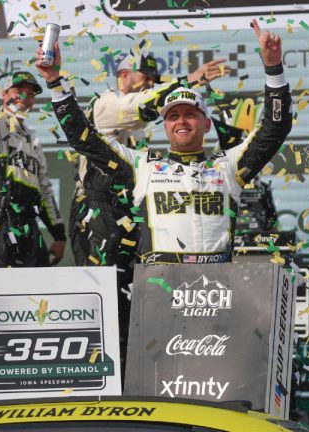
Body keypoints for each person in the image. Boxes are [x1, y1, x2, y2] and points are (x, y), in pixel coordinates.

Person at [36, 18, 291, 264]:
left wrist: (273, 69)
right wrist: (54, 82)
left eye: (190, 114)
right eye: (173, 116)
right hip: (159, 291)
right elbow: (85, 140)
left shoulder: (228, 166)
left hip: (217, 293)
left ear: (206, 124)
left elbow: (274, 128)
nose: (181, 121)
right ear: (165, 125)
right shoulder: (143, 166)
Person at [73, 50, 230, 368]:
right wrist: (187, 81)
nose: (151, 86)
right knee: (104, 302)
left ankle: (137, 374)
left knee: (133, 301)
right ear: (123, 75)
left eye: (155, 82)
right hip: (99, 213)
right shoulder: (106, 105)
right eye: (146, 79)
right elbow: (144, 107)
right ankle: (101, 380)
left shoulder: (139, 130)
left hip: (130, 215)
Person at [0, 7, 66, 268]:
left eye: (30, 93)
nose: (24, 96)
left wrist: (58, 234)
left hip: (27, 224)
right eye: (18, 90)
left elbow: (44, 190)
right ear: (4, 94)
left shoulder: (32, 140)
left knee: (35, 296)